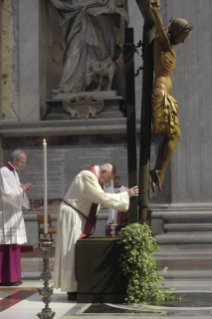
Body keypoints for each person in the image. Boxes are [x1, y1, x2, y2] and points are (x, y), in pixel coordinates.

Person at [53, 163, 138, 299]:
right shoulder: (87, 176)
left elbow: (103, 195)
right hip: (72, 215)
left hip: (77, 215)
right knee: (71, 251)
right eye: (107, 178)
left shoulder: (94, 178)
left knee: (74, 251)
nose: (106, 181)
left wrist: (121, 195)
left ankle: (75, 286)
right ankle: (72, 288)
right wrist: (125, 195)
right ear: (103, 171)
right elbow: (101, 197)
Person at [149, 0, 193, 192]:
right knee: (174, 134)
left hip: (164, 91)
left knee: (171, 135)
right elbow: (160, 30)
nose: (183, 40)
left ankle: (159, 170)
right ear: (175, 32)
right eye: (183, 36)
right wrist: (155, 12)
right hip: (161, 91)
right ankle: (159, 171)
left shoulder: (167, 47)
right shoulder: (164, 43)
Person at [49, 0, 129, 93]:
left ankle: (98, 84)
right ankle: (68, 86)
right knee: (73, 52)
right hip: (77, 11)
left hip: (98, 10)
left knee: (97, 50)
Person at [0, 149, 32, 286]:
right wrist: (21, 190)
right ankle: (5, 278)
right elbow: (6, 194)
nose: (23, 165)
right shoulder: (3, 172)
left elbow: (16, 192)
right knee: (5, 245)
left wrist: (23, 190)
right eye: (22, 162)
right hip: (6, 214)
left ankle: (14, 277)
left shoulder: (14, 172)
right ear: (15, 160)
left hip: (14, 213)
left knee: (14, 244)